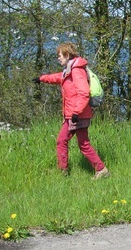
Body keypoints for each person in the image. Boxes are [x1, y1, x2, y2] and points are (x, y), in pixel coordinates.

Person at [33, 42, 109, 179]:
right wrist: (42, 78)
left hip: (77, 115)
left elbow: (84, 92)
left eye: (60, 55)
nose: (58, 58)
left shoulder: (76, 70)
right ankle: (64, 170)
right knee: (64, 141)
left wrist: (76, 112)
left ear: (67, 55)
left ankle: (100, 170)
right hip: (73, 114)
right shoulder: (69, 69)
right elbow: (59, 78)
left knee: (81, 144)